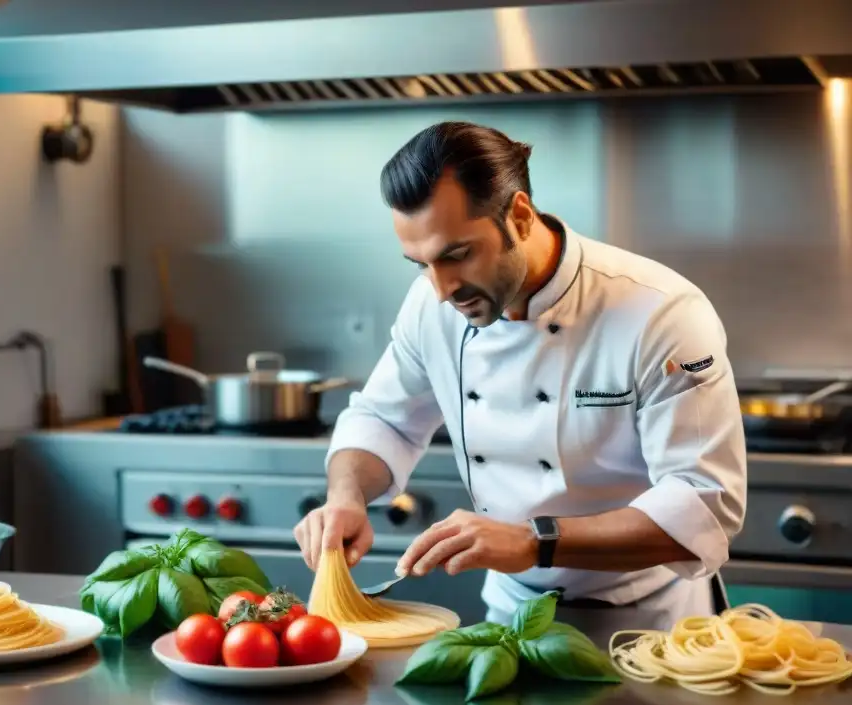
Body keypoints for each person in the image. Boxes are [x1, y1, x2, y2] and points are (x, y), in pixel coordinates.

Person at [293, 120, 747, 625]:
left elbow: (705, 506)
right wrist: (346, 497)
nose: (441, 289)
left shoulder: (660, 312)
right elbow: (384, 419)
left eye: (458, 255)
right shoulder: (431, 304)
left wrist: (535, 542)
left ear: (521, 216)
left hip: (650, 619)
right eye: (419, 264)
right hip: (512, 616)